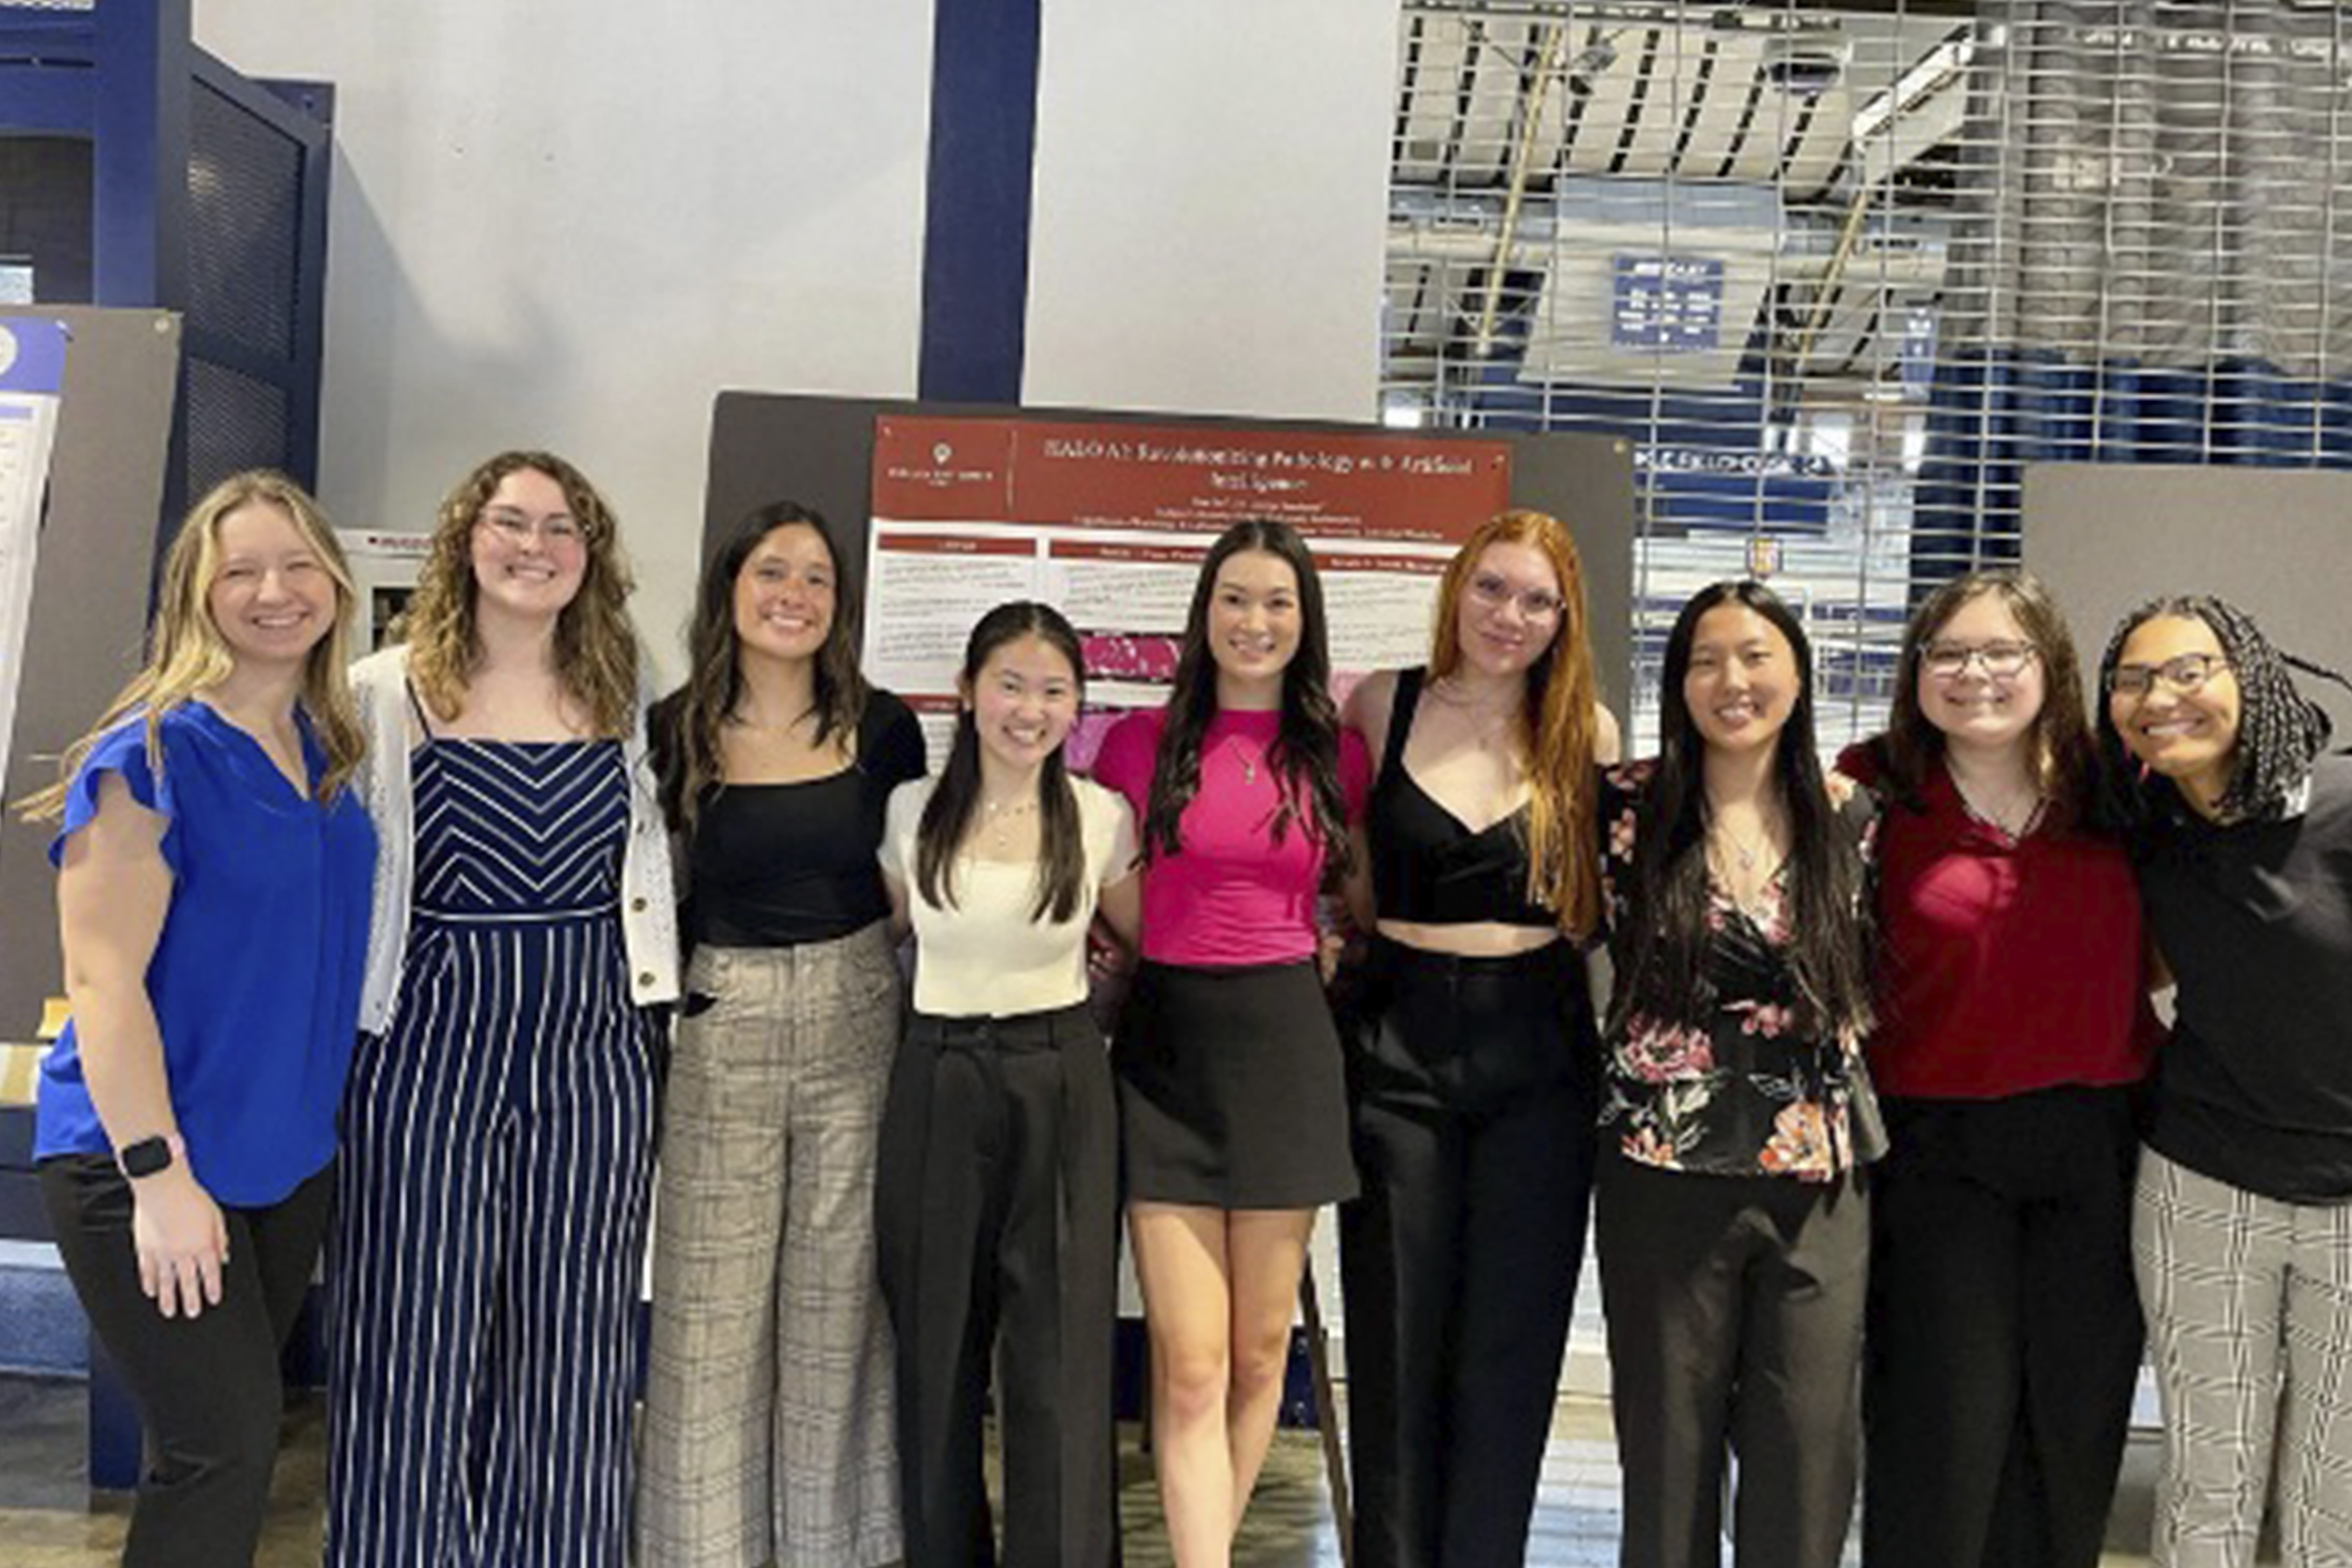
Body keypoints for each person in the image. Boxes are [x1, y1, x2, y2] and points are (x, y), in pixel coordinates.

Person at [326, 450, 678, 1568]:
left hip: (594, 1047)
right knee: (410, 1327)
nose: (537, 547)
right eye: (513, 522)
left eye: (564, 527)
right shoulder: (384, 691)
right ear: (465, 538)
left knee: (575, 1338)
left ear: (594, 554)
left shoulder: (626, 688)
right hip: (427, 1039)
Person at [22, 471, 374, 1568]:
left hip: (280, 1164)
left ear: (334, 581)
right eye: (241, 572)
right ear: (196, 595)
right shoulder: (152, 757)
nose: (275, 592)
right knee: (217, 1452)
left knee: (227, 1448)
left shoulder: (329, 752)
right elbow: (104, 982)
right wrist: (158, 1176)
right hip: (150, 1160)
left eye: (297, 564)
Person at [1843, 570, 2160, 1568]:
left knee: (2069, 1426)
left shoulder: (2119, 791)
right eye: (1948, 654)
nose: (1973, 674)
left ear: (2049, 667)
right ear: (1917, 673)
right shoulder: (1874, 794)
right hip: (1937, 1152)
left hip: (2097, 1141)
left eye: (2001, 653)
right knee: (1944, 1427)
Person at [639, 500, 923, 1568]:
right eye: (772, 573)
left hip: (858, 1016)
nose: (793, 596)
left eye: (815, 579)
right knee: (709, 1315)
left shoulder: (884, 726)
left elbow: (913, 882)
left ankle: (833, 1547)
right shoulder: (674, 728)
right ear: (730, 590)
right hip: (723, 1019)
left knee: (836, 1311)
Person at [1335, 507, 1618, 1568]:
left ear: (1564, 618)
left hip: (1537, 1048)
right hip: (1399, 1037)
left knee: (1512, 1338)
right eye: (1493, 589)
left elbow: (1590, 904)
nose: (1511, 616)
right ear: (1459, 587)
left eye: (1538, 600)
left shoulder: (1583, 730)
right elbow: (1351, 881)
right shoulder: (1380, 703)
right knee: (1397, 1326)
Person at [1090, 518, 1371, 1568]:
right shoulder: (1132, 745)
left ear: (1306, 623)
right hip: (1167, 1049)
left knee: (1260, 1355)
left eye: (1277, 603)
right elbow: (1107, 889)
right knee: (1191, 1362)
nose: (1255, 622)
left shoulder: (1336, 753)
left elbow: (1361, 899)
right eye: (1235, 600)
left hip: (1289, 1048)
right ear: (1204, 616)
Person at [1594, 579, 1879, 1568]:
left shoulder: (1853, 814)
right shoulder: (1625, 807)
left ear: (1798, 674)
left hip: (1816, 1179)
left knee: (1807, 1453)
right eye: (1707, 660)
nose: (1733, 680)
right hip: (1659, 1170)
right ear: (1677, 682)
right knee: (1667, 1456)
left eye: (1757, 656)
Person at [874, 600, 1141, 1568]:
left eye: (1054, 691)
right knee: (936, 1350)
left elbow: (1146, 944)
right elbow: (886, 940)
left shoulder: (1100, 816)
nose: (1030, 710)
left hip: (1061, 1081)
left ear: (1077, 706)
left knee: (1061, 1356)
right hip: (936, 1077)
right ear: (970, 693)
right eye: (1010, 685)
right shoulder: (910, 810)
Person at [2096, 594, 2352, 1568]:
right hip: (2204, 1187)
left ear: (2248, 674)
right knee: (2211, 1480)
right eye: (2133, 679)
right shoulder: (2147, 827)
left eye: (2188, 670)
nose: (2160, 697)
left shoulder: (2340, 804)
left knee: (2335, 1491)